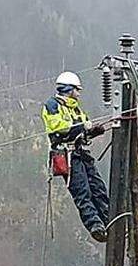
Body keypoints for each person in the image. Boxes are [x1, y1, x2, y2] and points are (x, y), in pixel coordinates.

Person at [42, 71, 110, 242]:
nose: (78, 94)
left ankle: (110, 220)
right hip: (67, 156)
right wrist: (81, 127)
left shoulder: (76, 109)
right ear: (68, 89)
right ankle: (95, 226)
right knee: (82, 191)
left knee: (98, 188)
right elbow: (60, 127)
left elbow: (83, 131)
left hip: (81, 152)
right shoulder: (52, 105)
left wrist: (93, 131)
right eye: (76, 90)